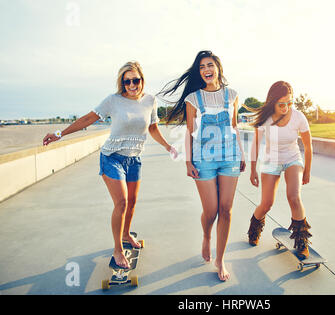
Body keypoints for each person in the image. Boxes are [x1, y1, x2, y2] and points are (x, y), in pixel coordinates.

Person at [43, 61, 177, 269]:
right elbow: (88, 118)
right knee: (122, 202)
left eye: (135, 80)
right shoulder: (113, 101)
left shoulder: (150, 101)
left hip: (134, 159)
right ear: (122, 83)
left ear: (142, 80)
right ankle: (117, 250)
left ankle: (125, 234)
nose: (132, 85)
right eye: (127, 81)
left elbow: (152, 128)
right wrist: (59, 134)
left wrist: (168, 146)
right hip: (112, 157)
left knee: (132, 202)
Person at [158, 50, 246, 281]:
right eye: (201, 67)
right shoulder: (193, 99)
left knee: (226, 210)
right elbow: (189, 132)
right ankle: (207, 235)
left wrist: (243, 155)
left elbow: (235, 127)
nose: (206, 70)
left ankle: (221, 259)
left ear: (218, 67)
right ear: (199, 72)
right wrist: (188, 161)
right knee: (211, 211)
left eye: (210, 65)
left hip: (230, 157)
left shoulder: (233, 94)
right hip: (203, 159)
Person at [247, 81, 313, 259]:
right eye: (281, 104)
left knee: (294, 197)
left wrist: (307, 170)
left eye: (290, 103)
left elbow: (308, 146)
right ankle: (254, 228)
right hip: (271, 160)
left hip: (292, 159)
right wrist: (252, 170)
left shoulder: (299, 117)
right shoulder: (266, 119)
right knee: (267, 203)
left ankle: (301, 241)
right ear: (273, 102)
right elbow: (254, 145)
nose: (286, 107)